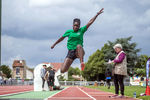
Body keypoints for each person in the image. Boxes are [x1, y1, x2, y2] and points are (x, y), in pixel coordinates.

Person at [51, 8, 104, 73]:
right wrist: (54, 44)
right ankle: (67, 64)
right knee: (62, 70)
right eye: (75, 25)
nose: (76, 27)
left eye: (78, 26)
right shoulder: (69, 32)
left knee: (78, 46)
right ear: (73, 25)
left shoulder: (81, 30)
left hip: (79, 52)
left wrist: (97, 15)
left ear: (79, 26)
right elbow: (61, 38)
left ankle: (82, 63)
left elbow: (90, 22)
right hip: (71, 52)